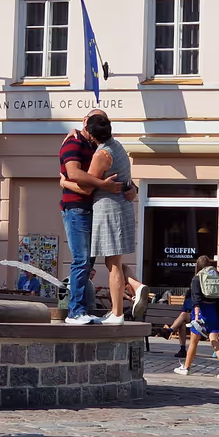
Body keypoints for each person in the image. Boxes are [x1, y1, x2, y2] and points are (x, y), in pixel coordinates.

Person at [58, 109, 125, 325]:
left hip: (91, 209)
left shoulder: (94, 144)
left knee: (88, 262)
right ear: (85, 122)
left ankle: (82, 309)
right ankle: (75, 312)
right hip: (76, 208)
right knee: (81, 260)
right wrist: (102, 185)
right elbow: (74, 174)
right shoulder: (74, 143)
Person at [79, 113, 142, 326]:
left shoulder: (102, 154)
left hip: (108, 209)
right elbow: (128, 183)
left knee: (113, 263)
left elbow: (87, 184)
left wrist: (66, 181)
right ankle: (135, 285)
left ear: (92, 135)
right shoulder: (117, 146)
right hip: (121, 207)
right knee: (112, 261)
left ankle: (116, 312)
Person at [174, 256, 219, 379]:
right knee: (214, 340)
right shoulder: (216, 275)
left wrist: (196, 316)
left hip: (201, 312)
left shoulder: (197, 278)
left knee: (193, 342)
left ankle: (186, 367)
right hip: (213, 311)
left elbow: (196, 299)